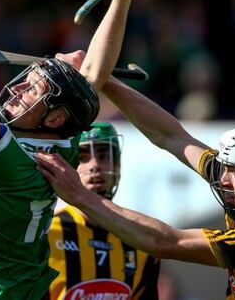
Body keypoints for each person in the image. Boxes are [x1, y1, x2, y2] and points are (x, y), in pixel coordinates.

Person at [0, 0, 150, 300]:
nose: (17, 88)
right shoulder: (64, 147)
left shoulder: (7, 160)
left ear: (54, 117)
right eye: (25, 81)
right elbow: (95, 73)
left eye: (33, 90)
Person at [37, 58, 235, 299]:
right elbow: (171, 136)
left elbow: (165, 242)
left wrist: (81, 196)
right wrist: (106, 79)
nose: (223, 179)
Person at [47, 122, 160, 299]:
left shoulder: (142, 242)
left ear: (117, 165)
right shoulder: (45, 234)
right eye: (83, 157)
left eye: (103, 155)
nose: (94, 166)